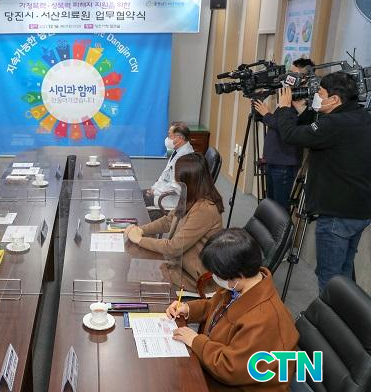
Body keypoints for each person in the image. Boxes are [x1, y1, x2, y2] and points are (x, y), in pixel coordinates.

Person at [168, 228, 299, 391]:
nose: (214, 277)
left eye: (217, 273)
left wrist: (196, 341)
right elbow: (214, 307)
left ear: (238, 274)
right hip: (212, 367)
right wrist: (188, 308)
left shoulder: (263, 320)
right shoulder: (238, 287)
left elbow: (230, 368)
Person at [275, 73, 371, 293]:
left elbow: (291, 135)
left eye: (320, 93)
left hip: (336, 213)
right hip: (360, 210)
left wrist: (284, 108)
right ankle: (346, 313)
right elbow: (319, 133)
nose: (316, 97)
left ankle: (329, 314)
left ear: (335, 99)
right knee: (344, 273)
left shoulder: (334, 124)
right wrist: (304, 110)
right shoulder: (362, 117)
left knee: (329, 278)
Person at [126, 153, 224, 291]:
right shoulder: (191, 197)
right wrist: (141, 230)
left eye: (178, 180)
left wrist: (139, 240)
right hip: (178, 264)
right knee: (134, 269)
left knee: (136, 278)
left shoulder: (205, 209)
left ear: (189, 181)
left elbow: (173, 248)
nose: (175, 183)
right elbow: (168, 220)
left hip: (193, 276)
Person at [253, 58, 317, 211]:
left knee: (279, 210)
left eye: (293, 74)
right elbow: (279, 122)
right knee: (270, 206)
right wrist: (263, 114)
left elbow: (287, 129)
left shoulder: (305, 103)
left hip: (284, 164)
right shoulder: (289, 97)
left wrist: (267, 115)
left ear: (304, 77)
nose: (289, 77)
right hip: (273, 160)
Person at [143, 122, 194, 212]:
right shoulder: (177, 150)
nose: (167, 139)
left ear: (179, 138)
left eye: (170, 136)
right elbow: (165, 174)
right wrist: (154, 187)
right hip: (163, 190)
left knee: (138, 200)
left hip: (171, 199)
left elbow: (176, 187)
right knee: (138, 194)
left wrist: (155, 192)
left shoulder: (185, 158)